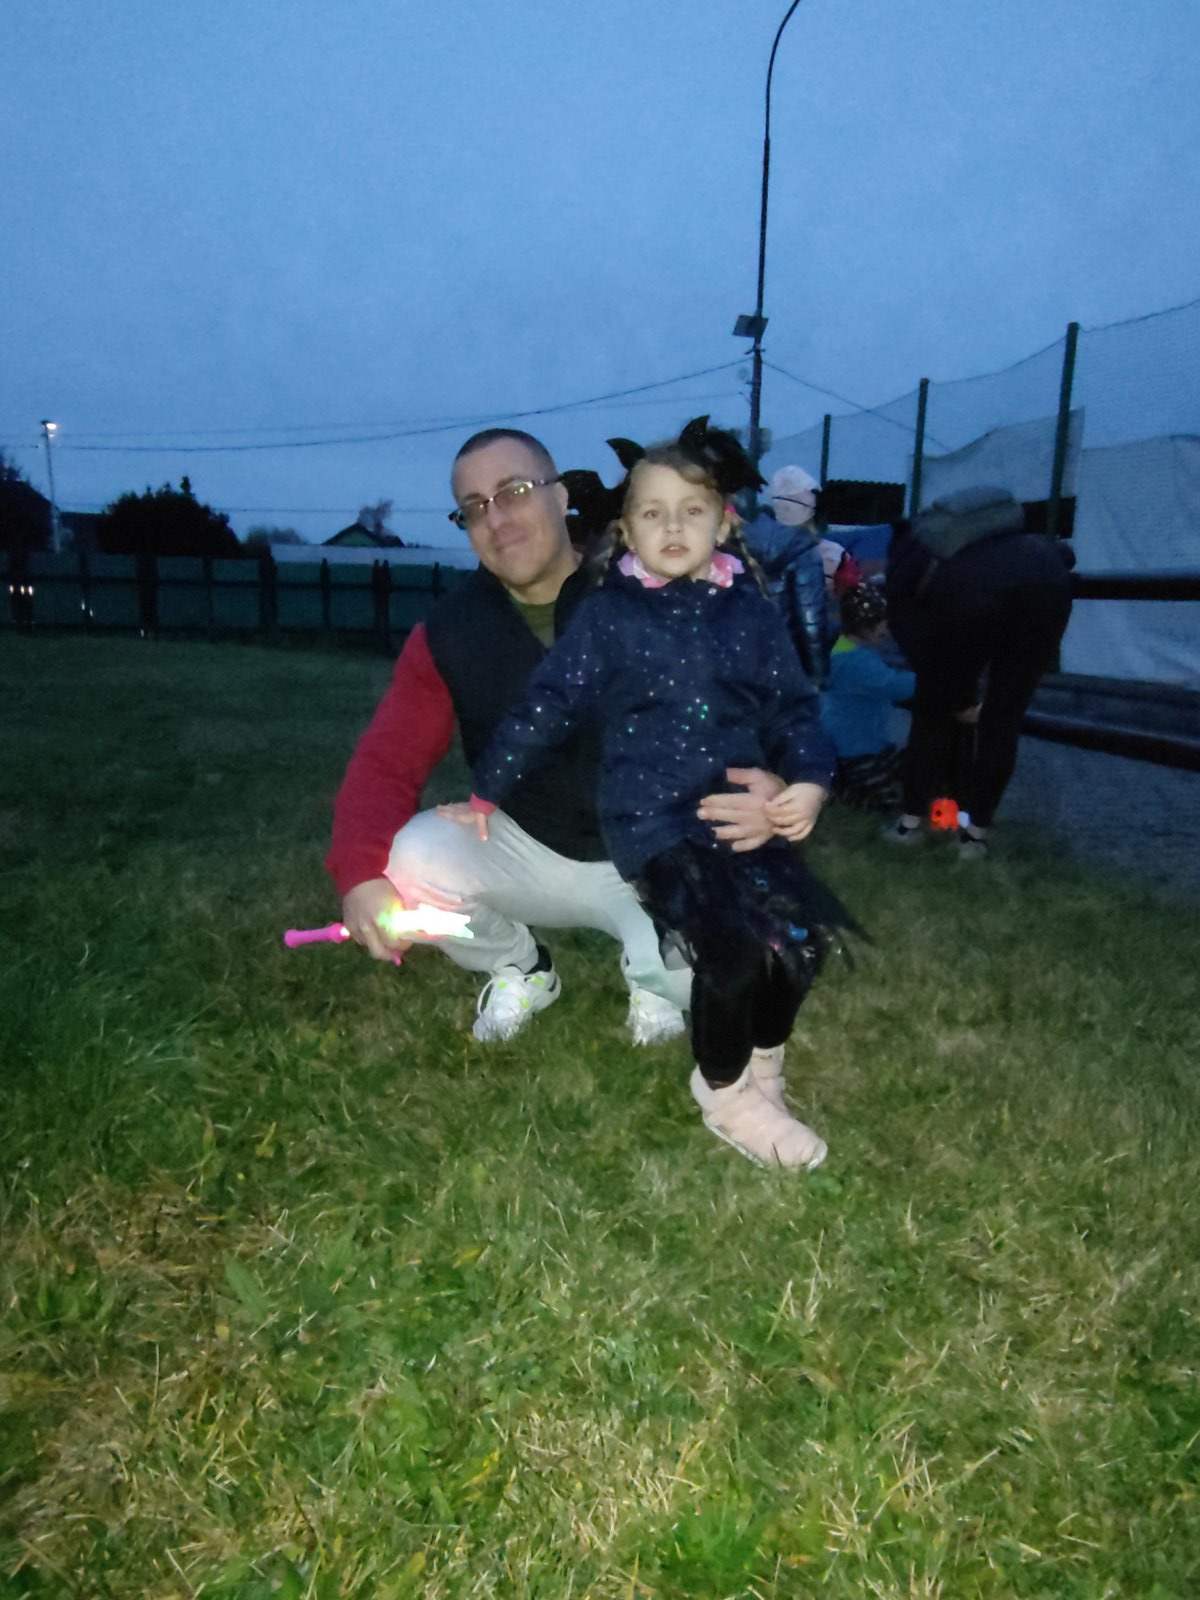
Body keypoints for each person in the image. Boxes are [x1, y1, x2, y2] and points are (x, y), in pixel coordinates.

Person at [441, 421, 844, 1169]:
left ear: (725, 521)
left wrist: (809, 783)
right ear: (626, 531)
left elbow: (794, 712)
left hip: (739, 818)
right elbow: (546, 704)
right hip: (654, 824)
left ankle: (763, 1073)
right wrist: (486, 792)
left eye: (692, 510)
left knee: (799, 944)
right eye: (653, 512)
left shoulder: (752, 613)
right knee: (731, 954)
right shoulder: (611, 615)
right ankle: (722, 1093)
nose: (673, 527)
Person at [326, 427, 791, 1044]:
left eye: (514, 492)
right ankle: (518, 966)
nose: (497, 519)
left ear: (561, 496)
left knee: (736, 982)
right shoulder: (451, 632)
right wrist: (359, 876)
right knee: (410, 864)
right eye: (474, 507)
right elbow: (387, 761)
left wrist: (773, 785)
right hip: (529, 846)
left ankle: (654, 974)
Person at [882, 485, 1074, 859]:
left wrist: (956, 698)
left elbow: (915, 640)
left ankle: (910, 824)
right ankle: (974, 836)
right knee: (1003, 717)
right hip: (1049, 580)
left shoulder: (910, 555)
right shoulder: (988, 538)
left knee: (931, 714)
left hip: (974, 595)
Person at [821, 582, 915, 812]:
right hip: (856, 748)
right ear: (867, 626)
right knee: (887, 802)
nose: (887, 630)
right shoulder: (857, 663)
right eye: (883, 623)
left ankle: (844, 786)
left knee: (906, 764)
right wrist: (934, 679)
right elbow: (893, 685)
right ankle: (844, 794)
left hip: (860, 741)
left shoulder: (844, 647)